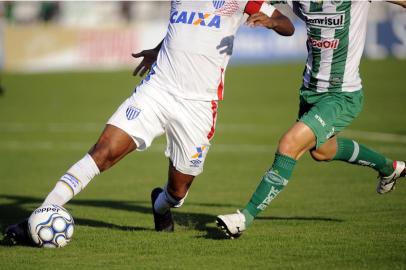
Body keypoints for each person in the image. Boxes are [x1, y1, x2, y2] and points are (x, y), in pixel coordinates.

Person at [4, 0, 294, 245]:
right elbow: (183, 29)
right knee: (103, 152)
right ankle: (36, 218)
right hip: (158, 90)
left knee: (178, 191)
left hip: (199, 105)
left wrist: (272, 24)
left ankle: (161, 204)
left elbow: (286, 23)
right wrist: (159, 50)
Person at [216, 0, 406, 239]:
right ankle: (389, 168)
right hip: (310, 91)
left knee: (289, 145)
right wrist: (270, 20)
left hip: (342, 96)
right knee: (323, 151)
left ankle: (244, 218)